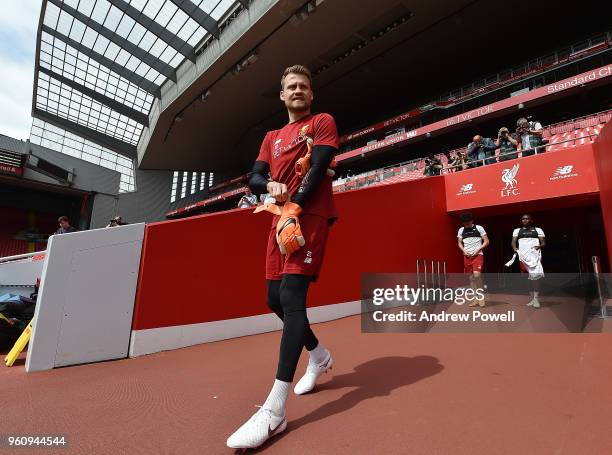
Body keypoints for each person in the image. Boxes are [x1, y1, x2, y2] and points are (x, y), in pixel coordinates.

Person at [227, 65, 338, 450]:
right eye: (291, 86)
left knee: (291, 297)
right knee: (273, 299)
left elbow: (320, 166)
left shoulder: (322, 122)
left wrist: (295, 204)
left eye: (304, 86)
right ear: (281, 94)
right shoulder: (271, 137)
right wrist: (268, 185)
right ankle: (320, 356)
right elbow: (255, 178)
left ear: (311, 94)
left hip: (309, 215)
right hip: (279, 220)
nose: (297, 90)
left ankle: (275, 408)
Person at [511, 214, 546, 308]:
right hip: (523, 257)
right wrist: (515, 248)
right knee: (527, 278)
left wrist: (539, 246)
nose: (525, 220)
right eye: (523, 219)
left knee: (535, 277)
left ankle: (536, 299)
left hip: (534, 257)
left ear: (531, 220)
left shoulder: (537, 230)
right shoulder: (517, 231)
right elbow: (513, 242)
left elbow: (543, 243)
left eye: (527, 219)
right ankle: (532, 299)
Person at [457, 213, 489, 307]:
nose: (466, 225)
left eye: (468, 223)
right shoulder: (461, 230)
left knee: (477, 275)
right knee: (471, 278)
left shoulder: (479, 228)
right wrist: (463, 251)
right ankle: (476, 298)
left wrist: (478, 249)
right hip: (467, 257)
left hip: (478, 255)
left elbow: (486, 241)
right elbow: (459, 243)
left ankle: (481, 297)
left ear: (472, 221)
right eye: (464, 223)